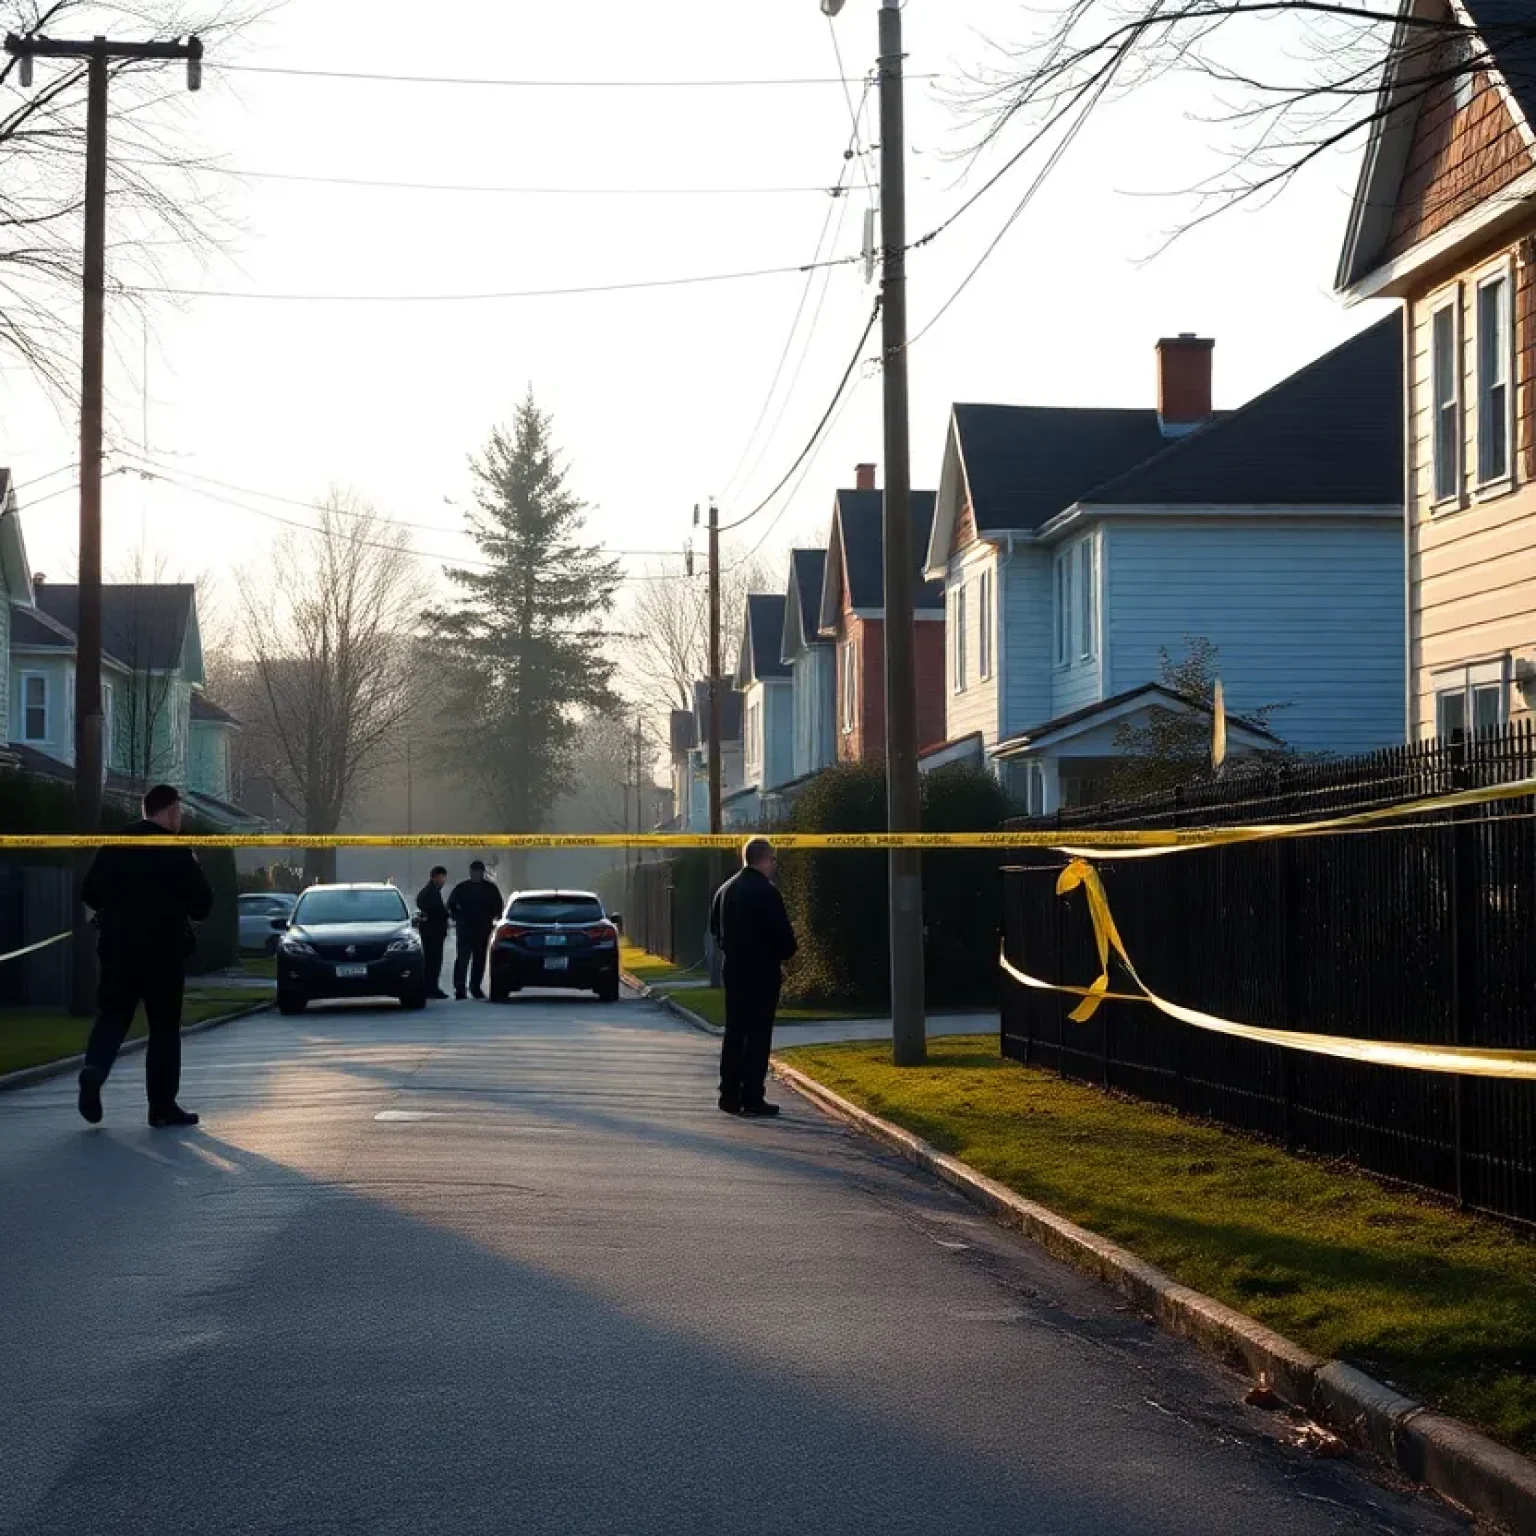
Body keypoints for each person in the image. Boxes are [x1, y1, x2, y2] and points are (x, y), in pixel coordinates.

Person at [77, 784, 214, 1129]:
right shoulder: (177, 851)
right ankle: (162, 1106)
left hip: (118, 949)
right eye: (179, 813)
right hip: (163, 953)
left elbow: (90, 891)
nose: (180, 819)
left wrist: (115, 908)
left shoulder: (118, 844)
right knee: (164, 1029)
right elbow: (203, 906)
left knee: (113, 1015)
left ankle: (94, 1070)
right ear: (169, 812)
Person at [709, 837, 798, 1117]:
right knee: (758, 1034)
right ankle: (752, 1096)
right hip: (761, 971)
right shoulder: (766, 892)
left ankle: (729, 1094)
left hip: (734, 968)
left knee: (735, 1031)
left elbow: (714, 929)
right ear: (764, 859)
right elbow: (783, 937)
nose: (774, 865)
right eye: (772, 860)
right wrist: (785, 950)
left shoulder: (724, 890)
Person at [448, 859, 504, 1000]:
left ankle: (474, 987)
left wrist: (494, 917)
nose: (476, 874)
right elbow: (451, 904)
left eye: (478, 872)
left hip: (480, 928)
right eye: (474, 872)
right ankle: (461, 988)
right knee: (463, 959)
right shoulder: (464, 888)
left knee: (478, 960)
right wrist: (457, 916)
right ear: (471, 872)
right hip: (467, 928)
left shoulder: (489, 889)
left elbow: (499, 907)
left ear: (482, 873)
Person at [416, 866, 450, 1000]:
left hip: (434, 931)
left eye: (444, 877)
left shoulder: (433, 891)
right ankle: (431, 988)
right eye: (442, 877)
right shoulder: (430, 892)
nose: (443, 880)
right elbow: (432, 908)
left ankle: (431, 987)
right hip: (432, 933)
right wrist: (443, 914)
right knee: (433, 961)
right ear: (435, 877)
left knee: (434, 961)